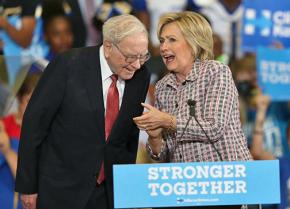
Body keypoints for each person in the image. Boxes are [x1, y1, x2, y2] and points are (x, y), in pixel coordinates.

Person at [15, 14, 150, 209]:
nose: (137, 64)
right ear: (109, 46)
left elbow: (129, 135)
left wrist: (125, 189)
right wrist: (28, 187)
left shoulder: (140, 75)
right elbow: (34, 125)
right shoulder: (68, 65)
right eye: (130, 57)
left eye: (143, 56)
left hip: (108, 192)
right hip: (60, 190)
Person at [133, 11, 252, 209]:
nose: (163, 47)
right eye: (162, 41)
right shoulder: (163, 87)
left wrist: (167, 121)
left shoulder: (216, 72)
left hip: (228, 187)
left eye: (172, 40)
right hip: (186, 191)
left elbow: (214, 127)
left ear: (193, 43)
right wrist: (154, 137)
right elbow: (163, 154)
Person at [0, 73, 41, 209]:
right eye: (29, 101)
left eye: (39, 102)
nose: (35, 108)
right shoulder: (3, 126)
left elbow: (33, 182)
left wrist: (7, 151)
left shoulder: (46, 135)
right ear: (19, 98)